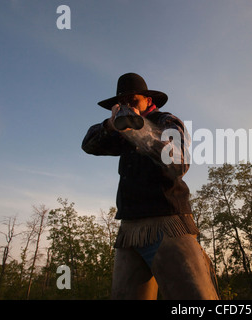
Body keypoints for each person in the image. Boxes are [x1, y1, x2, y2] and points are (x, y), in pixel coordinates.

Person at [82, 73, 218, 300]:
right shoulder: (119, 128)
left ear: (147, 99)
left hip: (167, 224)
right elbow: (88, 144)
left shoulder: (167, 120)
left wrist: (136, 127)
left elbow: (179, 161)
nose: (128, 107)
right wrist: (111, 125)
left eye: (133, 101)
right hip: (129, 231)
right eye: (122, 104)